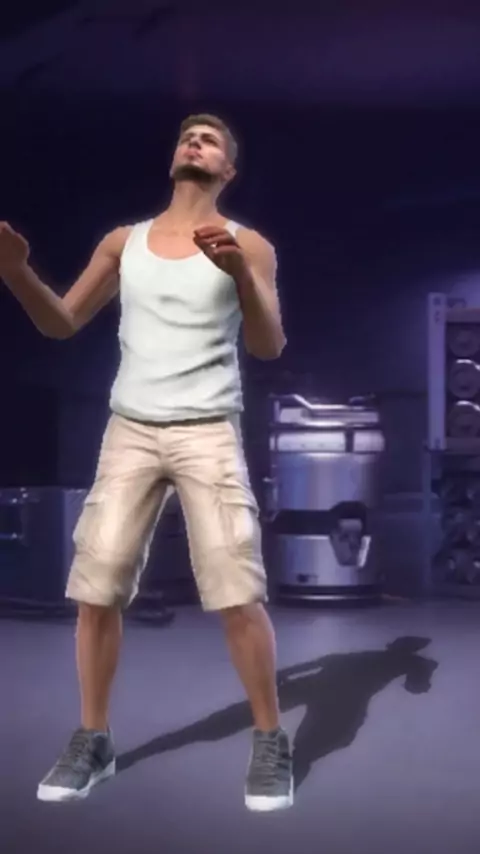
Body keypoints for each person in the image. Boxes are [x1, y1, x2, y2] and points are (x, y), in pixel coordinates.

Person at [0, 114, 293, 812]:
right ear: (174, 159)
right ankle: (94, 739)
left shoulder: (249, 244)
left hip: (207, 429)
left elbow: (268, 344)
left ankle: (270, 738)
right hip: (130, 429)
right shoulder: (123, 242)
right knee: (96, 586)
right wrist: (14, 272)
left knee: (236, 588)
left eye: (211, 140)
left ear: (227, 170)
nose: (196, 142)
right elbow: (61, 322)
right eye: (189, 136)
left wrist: (239, 274)